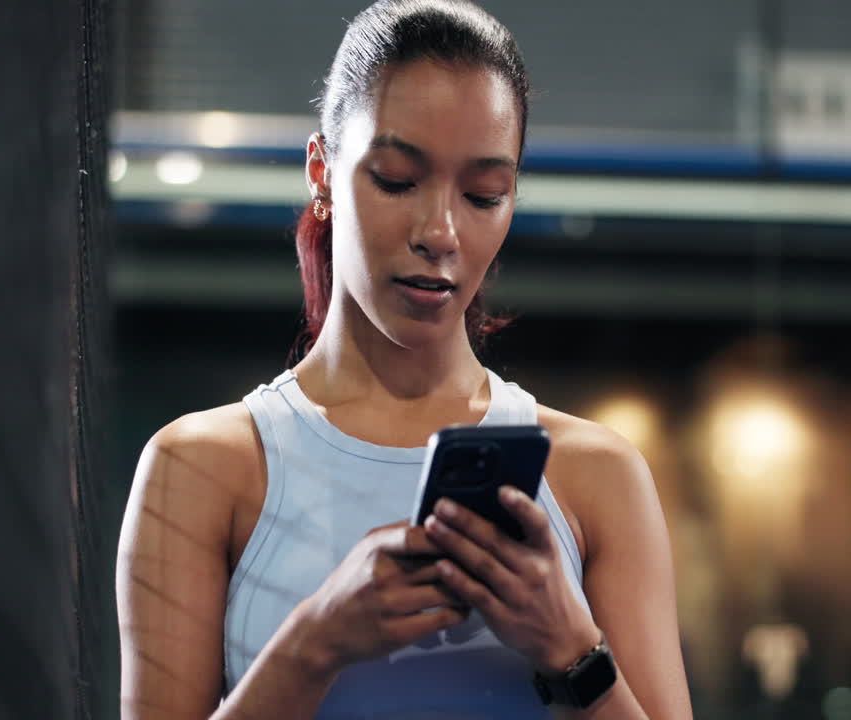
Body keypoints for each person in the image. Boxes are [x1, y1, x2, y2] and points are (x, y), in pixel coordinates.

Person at [116, 1, 692, 718]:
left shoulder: (594, 475)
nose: (441, 231)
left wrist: (571, 645)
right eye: (396, 179)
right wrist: (314, 643)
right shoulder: (201, 469)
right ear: (322, 173)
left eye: (485, 194)